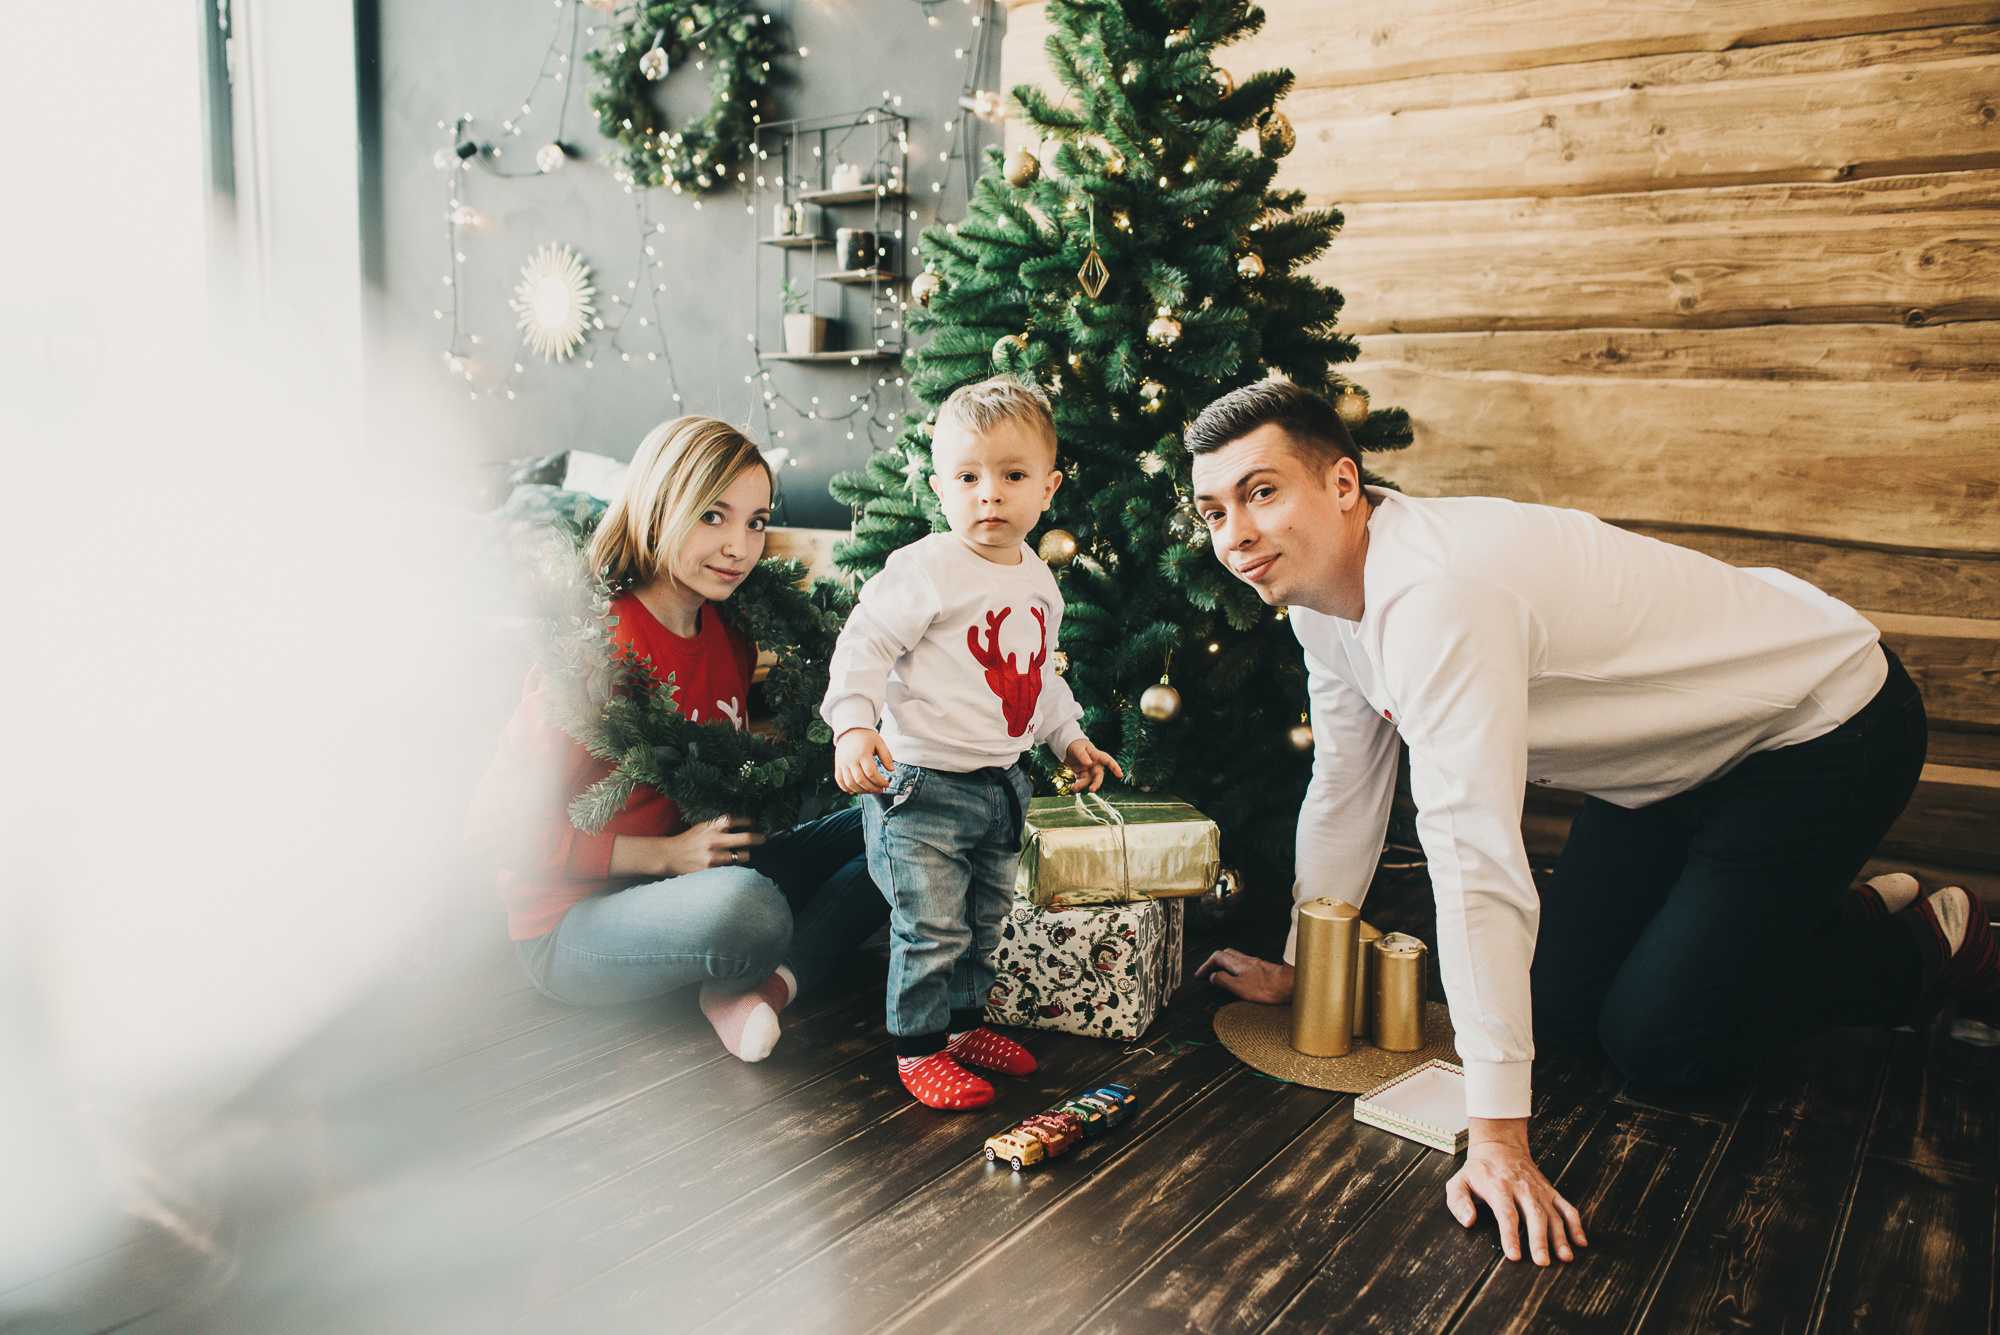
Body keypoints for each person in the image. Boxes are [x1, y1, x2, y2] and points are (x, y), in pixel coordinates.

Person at [1184, 379, 1996, 1266]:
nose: (1236, 535)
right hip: (1664, 763)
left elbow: (1476, 857)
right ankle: (1827, 912)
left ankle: (1927, 946)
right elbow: (1345, 783)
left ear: (1344, 485)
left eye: (1261, 492)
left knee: (1661, 1045)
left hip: (1818, 729)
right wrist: (1312, 968)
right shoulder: (1322, 603)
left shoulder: (1437, 595)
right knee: (1560, 1012)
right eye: (1213, 510)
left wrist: (1497, 1140)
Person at [466, 416, 887, 1063]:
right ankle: (740, 958)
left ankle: (759, 987)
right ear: (661, 507)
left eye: (755, 521)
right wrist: (664, 855)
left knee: (902, 820)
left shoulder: (727, 632)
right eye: (714, 516)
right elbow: (492, 830)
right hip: (572, 923)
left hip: (697, 877)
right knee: (752, 909)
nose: (740, 546)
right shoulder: (593, 651)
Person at [821, 376, 1123, 1110]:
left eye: (1012, 476)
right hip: (920, 782)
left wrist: (1069, 737)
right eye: (968, 477)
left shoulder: (1039, 581)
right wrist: (854, 724)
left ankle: (961, 1028)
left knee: (983, 922)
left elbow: (1041, 678)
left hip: (1001, 784)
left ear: (1046, 488)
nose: (989, 495)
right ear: (939, 487)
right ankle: (918, 1047)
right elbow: (863, 645)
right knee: (930, 926)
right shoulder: (926, 568)